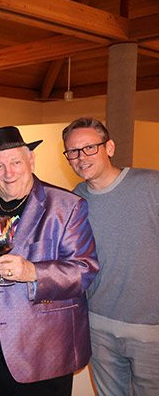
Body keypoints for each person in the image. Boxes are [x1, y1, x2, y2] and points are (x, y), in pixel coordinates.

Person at [0, 125, 99, 395]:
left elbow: (84, 270)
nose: (8, 172)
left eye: (16, 162)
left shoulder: (67, 205)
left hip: (42, 345)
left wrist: (33, 271)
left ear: (31, 161)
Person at [62, 117, 159, 396]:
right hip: (97, 325)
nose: (81, 157)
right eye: (73, 152)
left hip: (150, 329)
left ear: (110, 147)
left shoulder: (151, 185)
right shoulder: (74, 200)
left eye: (90, 148)